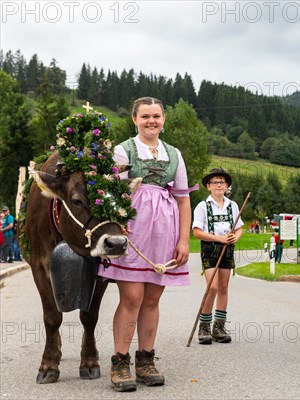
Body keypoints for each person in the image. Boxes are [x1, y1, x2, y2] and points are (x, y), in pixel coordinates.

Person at [97, 97, 193, 392]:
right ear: (134, 119)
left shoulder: (174, 154)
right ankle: (120, 361)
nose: (151, 121)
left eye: (157, 116)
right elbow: (111, 191)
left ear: (164, 119)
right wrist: (116, 222)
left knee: (152, 299)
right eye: (145, 116)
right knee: (132, 298)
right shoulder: (123, 150)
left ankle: (146, 360)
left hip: (165, 231)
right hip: (134, 229)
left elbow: (183, 199)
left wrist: (184, 239)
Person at [192, 168, 243, 345]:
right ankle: (204, 326)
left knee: (223, 287)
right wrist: (219, 238)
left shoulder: (233, 205)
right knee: (212, 287)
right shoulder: (202, 206)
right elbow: (197, 232)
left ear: (227, 185)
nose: (219, 185)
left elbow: (239, 228)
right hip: (210, 249)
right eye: (215, 182)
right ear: (208, 186)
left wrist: (235, 237)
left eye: (222, 181)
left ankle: (218, 327)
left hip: (227, 250)